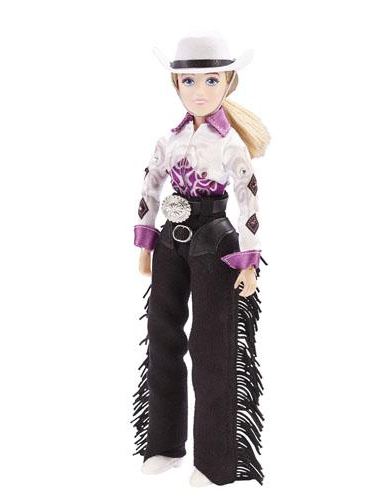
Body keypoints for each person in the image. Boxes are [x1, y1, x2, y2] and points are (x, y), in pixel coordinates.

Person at [131, 32, 270, 486]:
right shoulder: (168, 139)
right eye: (189, 81)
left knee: (213, 347)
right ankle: (163, 443)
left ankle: (215, 461)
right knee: (161, 338)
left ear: (228, 83)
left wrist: (248, 260)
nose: (199, 91)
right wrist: (146, 241)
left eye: (211, 80)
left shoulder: (230, 144)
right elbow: (150, 186)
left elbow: (248, 200)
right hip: (171, 242)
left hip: (214, 241)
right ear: (176, 84)